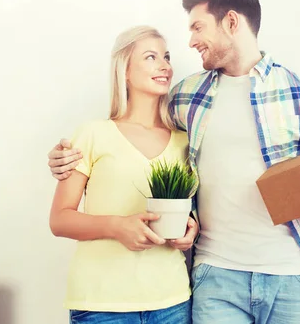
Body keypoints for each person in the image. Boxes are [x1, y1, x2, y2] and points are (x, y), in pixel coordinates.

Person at [48, 0, 300, 324]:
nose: (191, 41)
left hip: (290, 271)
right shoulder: (186, 98)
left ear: (231, 22)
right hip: (215, 276)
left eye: (198, 27)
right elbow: (131, 134)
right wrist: (61, 158)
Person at [48, 25, 198, 324]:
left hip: (172, 301)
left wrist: (190, 229)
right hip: (102, 305)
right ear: (125, 71)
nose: (165, 66)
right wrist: (118, 227)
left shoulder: (185, 141)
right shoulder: (92, 134)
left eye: (166, 57)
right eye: (151, 57)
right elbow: (60, 219)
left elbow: (193, 210)